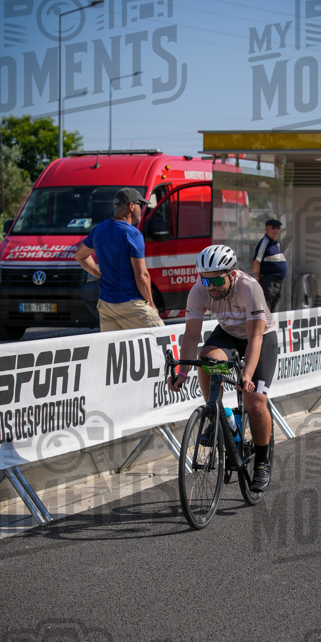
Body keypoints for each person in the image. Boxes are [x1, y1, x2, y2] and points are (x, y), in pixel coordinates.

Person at [167, 245, 277, 492]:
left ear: (232, 273)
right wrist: (182, 372)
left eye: (217, 279)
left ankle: (261, 461)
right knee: (206, 360)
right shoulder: (200, 290)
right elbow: (192, 334)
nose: (211, 286)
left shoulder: (250, 288)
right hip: (228, 333)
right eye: (206, 280)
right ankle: (216, 413)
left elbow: (255, 338)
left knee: (255, 403)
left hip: (260, 337)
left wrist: (247, 375)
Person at [74, 187, 164, 331]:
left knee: (117, 352)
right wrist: (151, 304)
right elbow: (142, 276)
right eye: (140, 205)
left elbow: (80, 256)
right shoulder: (133, 234)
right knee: (163, 339)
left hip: (106, 305)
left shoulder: (99, 229)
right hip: (131, 304)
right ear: (131, 206)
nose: (142, 209)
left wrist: (101, 275)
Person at [252, 219, 288, 312]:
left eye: (278, 228)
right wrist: (258, 279)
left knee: (272, 311)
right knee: (265, 311)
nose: (276, 230)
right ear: (267, 229)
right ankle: (265, 327)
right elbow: (256, 262)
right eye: (273, 228)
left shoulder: (276, 243)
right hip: (268, 283)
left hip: (277, 284)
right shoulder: (265, 243)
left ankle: (270, 327)